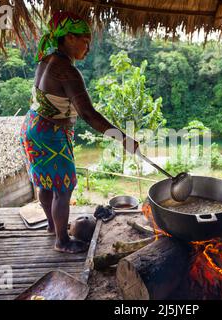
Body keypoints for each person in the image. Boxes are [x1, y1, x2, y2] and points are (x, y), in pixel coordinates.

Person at [19, 11, 138, 253]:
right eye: (85, 40)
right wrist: (122, 138)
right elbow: (88, 114)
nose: (88, 47)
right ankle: (62, 241)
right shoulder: (66, 70)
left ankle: (53, 227)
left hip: (33, 128)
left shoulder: (47, 59)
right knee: (64, 187)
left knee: (46, 184)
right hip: (51, 134)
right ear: (70, 38)